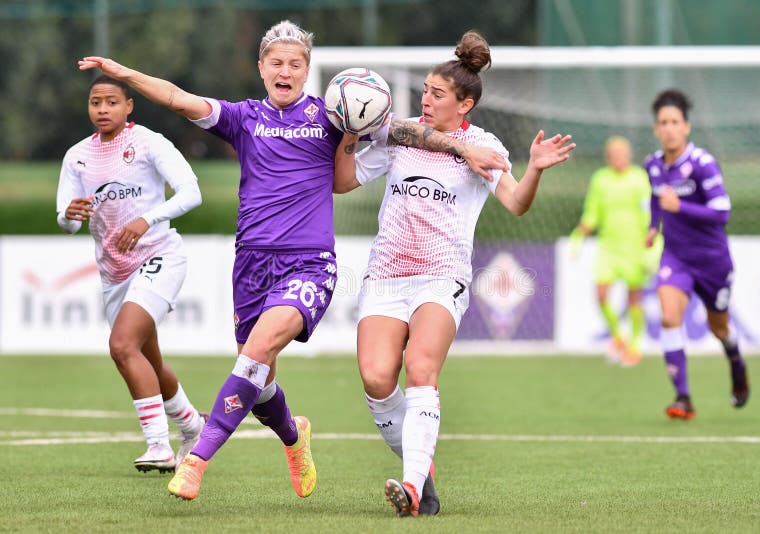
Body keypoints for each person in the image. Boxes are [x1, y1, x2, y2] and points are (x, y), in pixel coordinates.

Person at [78, 20, 507, 501]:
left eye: (295, 63)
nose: (286, 70)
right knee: (259, 383)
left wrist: (462, 146)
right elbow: (178, 97)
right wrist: (125, 73)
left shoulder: (333, 115)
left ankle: (197, 459)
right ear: (261, 68)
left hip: (309, 264)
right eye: (277, 63)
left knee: (255, 353)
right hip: (251, 264)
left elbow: (409, 132)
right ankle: (292, 435)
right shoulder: (242, 117)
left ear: (307, 72)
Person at [334, 30, 575, 517]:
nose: (425, 100)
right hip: (385, 274)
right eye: (424, 90)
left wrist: (535, 170)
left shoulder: (483, 146)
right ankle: (424, 475)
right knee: (377, 380)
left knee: (421, 369)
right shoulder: (401, 136)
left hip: (442, 276)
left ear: (464, 104)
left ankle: (413, 487)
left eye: (437, 94)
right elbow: (342, 182)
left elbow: (515, 203)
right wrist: (350, 131)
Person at [56, 75, 206, 473]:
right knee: (147, 362)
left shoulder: (149, 143)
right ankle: (193, 425)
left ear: (129, 107)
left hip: (160, 255)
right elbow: (67, 220)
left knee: (122, 345)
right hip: (114, 273)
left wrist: (146, 219)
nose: (102, 109)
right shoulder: (76, 157)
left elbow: (191, 192)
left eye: (111, 102)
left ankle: (159, 446)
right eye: (95, 102)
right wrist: (68, 216)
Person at [645, 89, 749, 420]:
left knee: (720, 328)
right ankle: (683, 398)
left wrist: (682, 207)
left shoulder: (702, 164)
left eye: (675, 121)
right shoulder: (653, 165)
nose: (669, 128)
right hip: (675, 257)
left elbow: (723, 211)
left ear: (687, 127)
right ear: (656, 129)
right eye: (663, 122)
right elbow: (656, 197)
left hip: (712, 260)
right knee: (668, 317)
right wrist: (652, 225)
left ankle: (735, 358)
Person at [569, 136, 656, 366]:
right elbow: (592, 212)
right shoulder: (601, 180)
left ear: (629, 155)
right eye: (614, 154)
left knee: (634, 298)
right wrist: (579, 235)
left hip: (634, 247)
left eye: (622, 153)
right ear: (608, 157)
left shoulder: (639, 179)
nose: (618, 157)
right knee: (601, 294)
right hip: (608, 247)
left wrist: (651, 244)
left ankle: (635, 345)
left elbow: (650, 214)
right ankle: (618, 337)